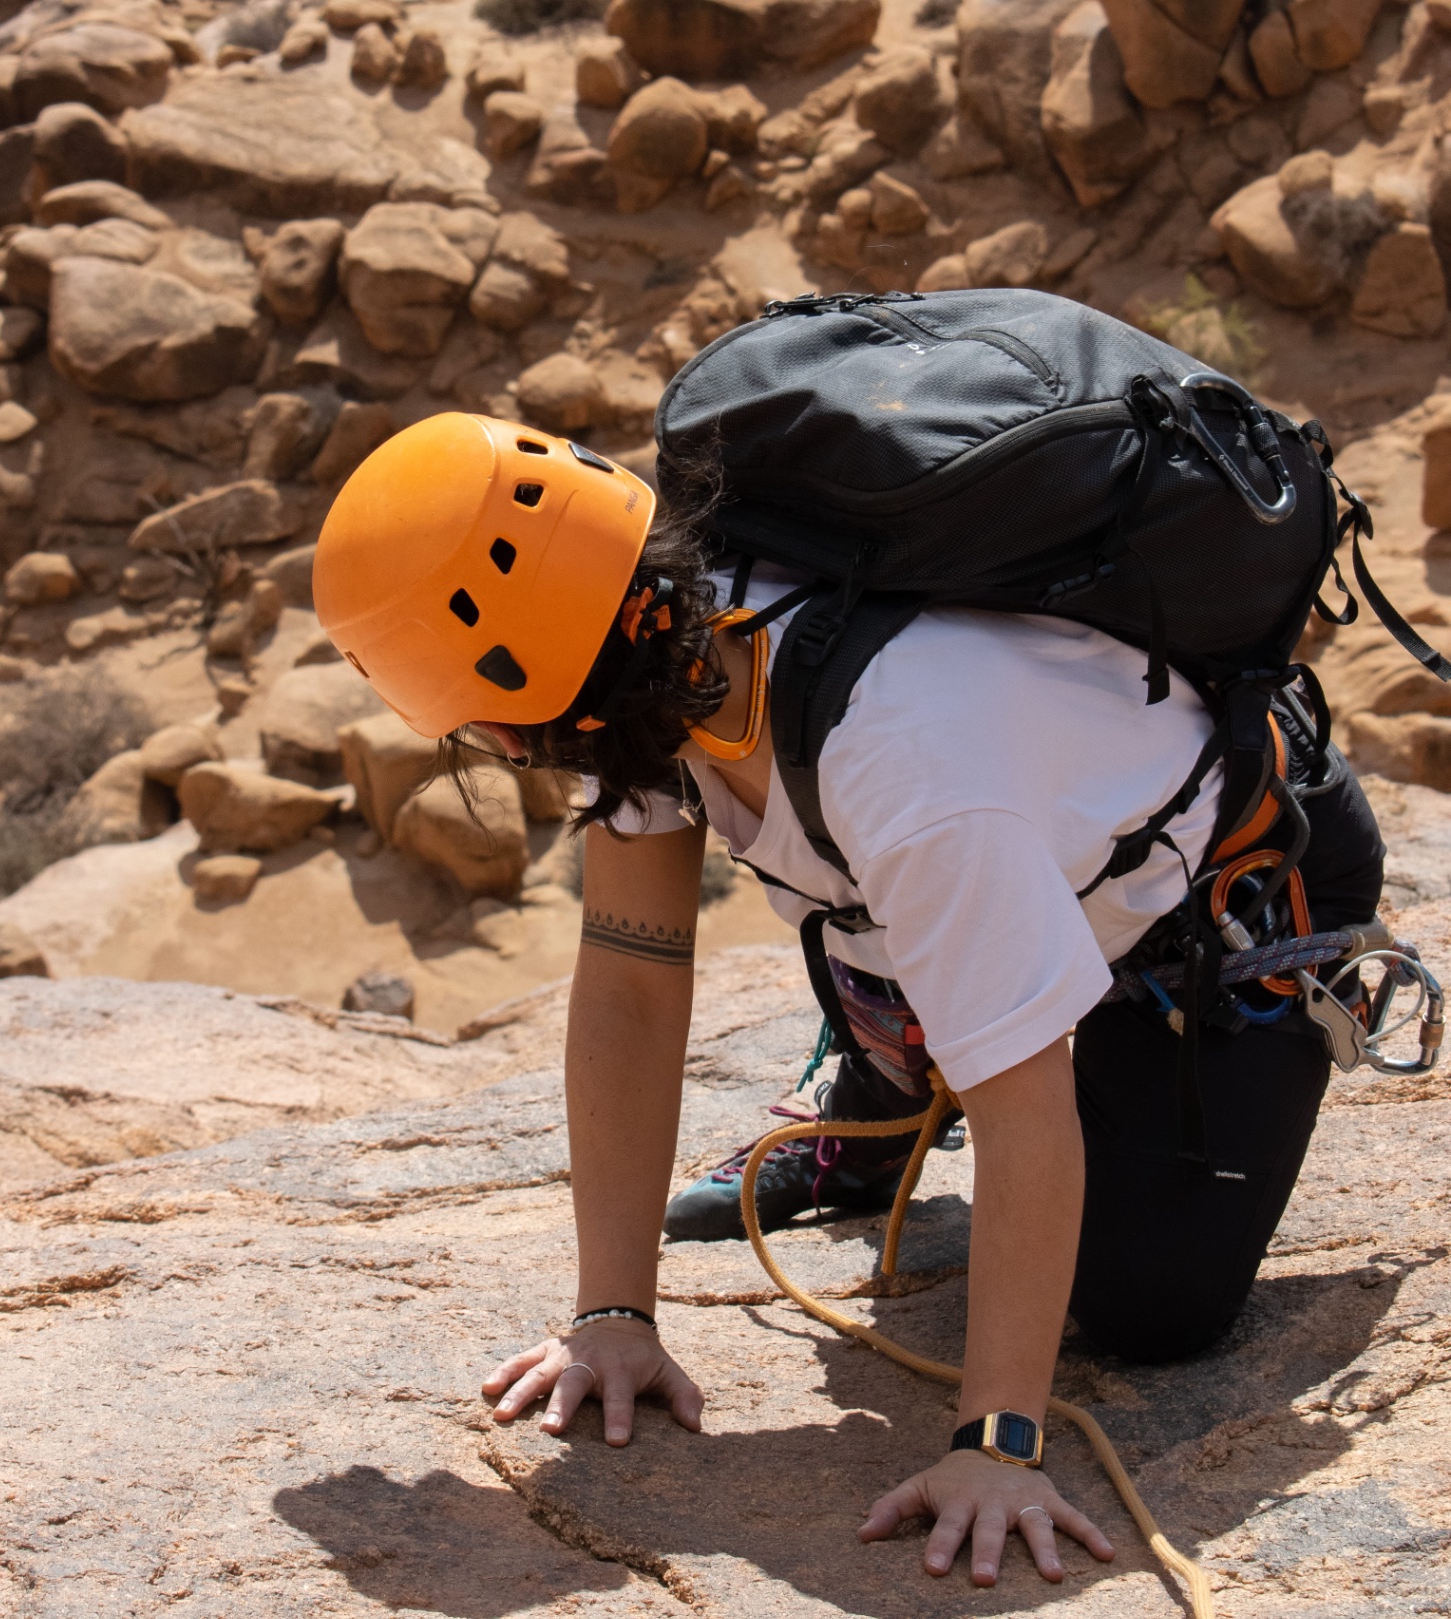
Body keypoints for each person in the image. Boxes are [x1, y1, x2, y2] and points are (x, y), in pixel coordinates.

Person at [311, 410, 1384, 1591]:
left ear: (547, 693)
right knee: (933, 929)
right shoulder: (655, 637)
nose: (499, 748)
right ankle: (894, 1058)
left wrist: (997, 1442)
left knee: (1150, 1308)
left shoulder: (903, 766)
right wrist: (613, 1311)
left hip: (1218, 892)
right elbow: (629, 972)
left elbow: (1030, 1117)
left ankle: (958, 1025)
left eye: (491, 726)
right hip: (1000, 864)